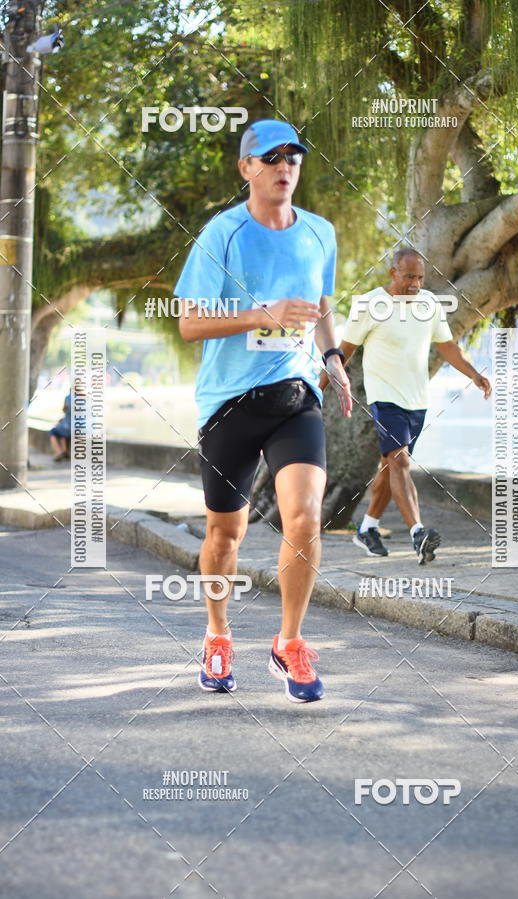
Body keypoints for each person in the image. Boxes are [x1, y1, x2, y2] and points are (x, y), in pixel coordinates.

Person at [176, 119, 352, 702]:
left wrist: (333, 357)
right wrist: (262, 315)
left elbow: (321, 304)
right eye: (270, 157)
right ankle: (217, 635)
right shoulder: (221, 235)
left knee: (304, 518)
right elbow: (189, 324)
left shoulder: (320, 232)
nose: (284, 167)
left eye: (292, 157)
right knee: (226, 533)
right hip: (229, 402)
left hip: (295, 398)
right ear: (246, 167)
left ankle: (289, 642)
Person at [320, 248, 491, 564]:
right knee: (400, 461)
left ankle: (367, 527)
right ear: (393, 273)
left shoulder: (429, 304)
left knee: (390, 465)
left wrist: (474, 374)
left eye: (420, 278)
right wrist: (316, 391)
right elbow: (343, 352)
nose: (415, 284)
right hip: (384, 397)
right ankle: (418, 532)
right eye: (409, 276)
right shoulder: (370, 304)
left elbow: (447, 346)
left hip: (417, 400)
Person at [49, 392, 71, 462]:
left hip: (70, 427)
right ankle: (65, 451)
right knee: (62, 429)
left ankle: (59, 452)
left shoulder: (68, 398)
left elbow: (64, 410)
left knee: (53, 431)